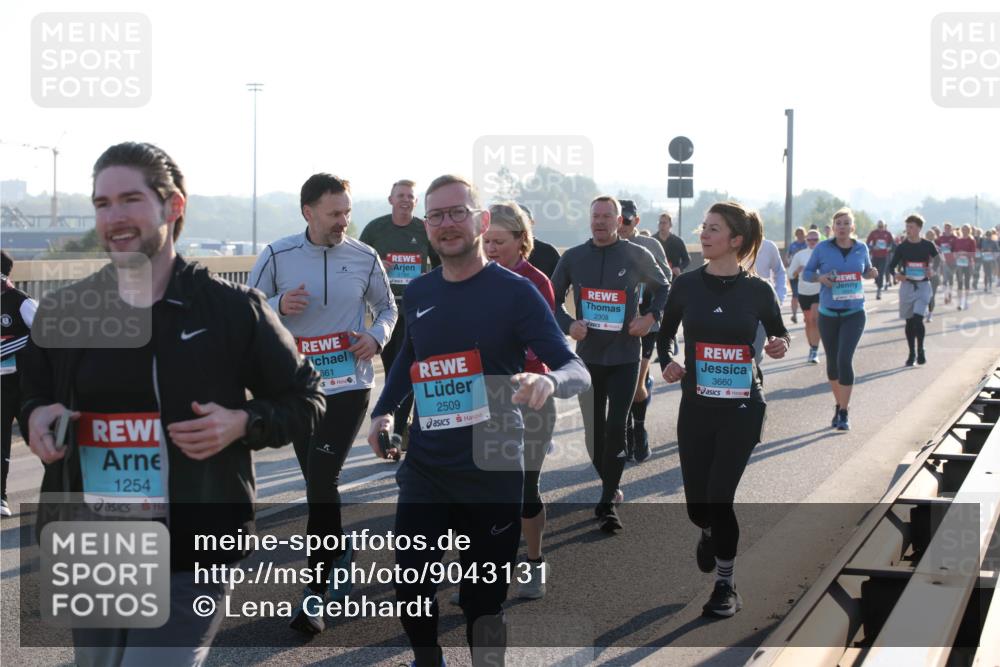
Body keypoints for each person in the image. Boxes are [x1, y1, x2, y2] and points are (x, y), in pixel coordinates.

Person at [19, 142, 325, 666]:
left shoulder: (231, 309)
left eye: (130, 200)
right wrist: (35, 416)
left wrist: (243, 422)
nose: (113, 217)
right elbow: (31, 393)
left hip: (191, 548)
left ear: (173, 206)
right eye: (102, 204)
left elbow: (307, 398)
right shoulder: (67, 310)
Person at [366, 175, 589, 667]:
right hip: (427, 467)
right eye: (436, 215)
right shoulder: (419, 291)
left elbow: (575, 368)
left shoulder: (516, 293)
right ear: (427, 226)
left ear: (481, 221)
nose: (446, 224)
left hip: (492, 467)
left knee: (482, 602)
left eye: (457, 213)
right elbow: (409, 359)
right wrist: (382, 412)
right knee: (410, 587)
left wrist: (549, 381)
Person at [249, 173, 397, 634]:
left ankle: (313, 594)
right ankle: (340, 553)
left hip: (350, 385)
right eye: (334, 213)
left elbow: (388, 308)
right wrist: (277, 304)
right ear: (308, 212)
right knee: (319, 486)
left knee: (321, 478)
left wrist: (376, 336)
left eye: (347, 212)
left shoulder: (364, 256)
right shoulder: (277, 255)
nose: (343, 221)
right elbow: (247, 309)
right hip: (298, 388)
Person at [656, 201, 789, 618]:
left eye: (714, 229)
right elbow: (665, 336)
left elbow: (780, 332)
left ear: (736, 240)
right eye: (704, 227)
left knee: (719, 496)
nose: (704, 234)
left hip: (742, 407)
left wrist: (779, 344)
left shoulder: (758, 291)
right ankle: (709, 530)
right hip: (696, 407)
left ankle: (725, 584)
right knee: (698, 507)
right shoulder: (686, 286)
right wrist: (667, 362)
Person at [551, 195, 669, 532]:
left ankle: (606, 502)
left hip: (624, 357)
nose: (600, 221)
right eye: (596, 216)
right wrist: (568, 324)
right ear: (589, 220)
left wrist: (650, 317)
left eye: (607, 216)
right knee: (594, 433)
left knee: (616, 426)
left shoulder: (636, 254)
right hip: (588, 359)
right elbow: (550, 299)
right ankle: (611, 485)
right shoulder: (574, 257)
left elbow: (664, 288)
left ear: (619, 221)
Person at [483, 201, 557, 599]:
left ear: (520, 240)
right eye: (486, 240)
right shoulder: (472, 278)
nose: (491, 248)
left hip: (529, 394)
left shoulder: (535, 282)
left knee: (526, 487)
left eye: (499, 241)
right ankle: (484, 570)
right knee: (485, 488)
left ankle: (534, 562)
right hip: (485, 395)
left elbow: (540, 344)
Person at [360, 180, 439, 451]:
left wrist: (431, 284)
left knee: (408, 368)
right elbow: (356, 263)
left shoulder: (424, 228)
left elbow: (441, 264)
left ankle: (400, 429)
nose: (405, 200)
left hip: (417, 310)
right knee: (393, 369)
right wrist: (377, 266)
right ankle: (399, 423)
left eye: (410, 196)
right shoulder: (375, 229)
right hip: (384, 309)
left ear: (416, 202)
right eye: (400, 195)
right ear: (391, 200)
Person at [803, 207, 877, 431]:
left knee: (845, 359)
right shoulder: (823, 248)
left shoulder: (861, 248)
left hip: (854, 313)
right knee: (832, 364)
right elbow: (807, 273)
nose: (842, 227)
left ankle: (844, 411)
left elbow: (866, 270)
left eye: (846, 223)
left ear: (852, 227)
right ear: (833, 227)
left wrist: (871, 273)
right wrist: (821, 278)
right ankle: (839, 403)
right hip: (828, 314)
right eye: (839, 223)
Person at [617, 200, 670, 463]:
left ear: (636, 221)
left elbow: (666, 280)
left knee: (637, 385)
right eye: (618, 220)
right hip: (615, 326)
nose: (622, 225)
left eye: (627, 220)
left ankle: (639, 430)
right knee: (618, 385)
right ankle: (625, 433)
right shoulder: (605, 246)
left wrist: (651, 313)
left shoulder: (650, 245)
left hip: (646, 325)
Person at [1, 250, 37, 517]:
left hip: (26, 384)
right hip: (1, 387)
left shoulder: (21, 302)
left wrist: (10, 347)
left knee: (39, 438)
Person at [888, 214, 938, 366]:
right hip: (907, 286)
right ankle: (912, 353)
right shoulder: (902, 247)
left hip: (923, 286)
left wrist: (933, 270)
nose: (908, 230)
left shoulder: (928, 245)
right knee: (909, 322)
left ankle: (921, 349)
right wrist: (896, 275)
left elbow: (939, 260)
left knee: (918, 318)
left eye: (911, 227)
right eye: (907, 227)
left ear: (919, 228)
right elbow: (891, 266)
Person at [786, 230, 822, 363]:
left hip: (819, 290)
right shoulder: (800, 255)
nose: (812, 242)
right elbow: (790, 274)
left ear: (819, 240)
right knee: (808, 321)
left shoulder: (823, 254)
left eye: (815, 239)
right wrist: (798, 270)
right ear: (806, 240)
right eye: (810, 239)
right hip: (804, 292)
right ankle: (812, 347)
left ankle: (815, 350)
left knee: (814, 319)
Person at [521, 204, 562, 279]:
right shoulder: (502, 251)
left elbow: (560, 282)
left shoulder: (548, 252)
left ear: (531, 223)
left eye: (521, 221)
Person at [655, 211, 690, 277]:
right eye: (660, 223)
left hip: (674, 278)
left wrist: (679, 268)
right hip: (657, 277)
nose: (662, 225)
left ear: (670, 225)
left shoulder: (678, 241)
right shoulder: (653, 241)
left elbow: (686, 260)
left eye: (664, 223)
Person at [866, 220, 895, 300]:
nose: (880, 228)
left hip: (884, 257)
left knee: (881, 273)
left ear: (884, 226)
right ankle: (878, 284)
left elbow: (892, 243)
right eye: (879, 226)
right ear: (877, 226)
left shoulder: (888, 234)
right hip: (875, 256)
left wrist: (889, 247)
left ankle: (879, 290)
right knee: (875, 273)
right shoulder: (873, 233)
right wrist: (872, 247)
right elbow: (867, 243)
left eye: (882, 226)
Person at [953, 224, 977, 310]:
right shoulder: (957, 240)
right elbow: (954, 251)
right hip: (959, 264)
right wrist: (957, 254)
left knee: (967, 282)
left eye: (966, 229)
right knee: (959, 282)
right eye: (963, 229)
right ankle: (960, 303)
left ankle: (966, 301)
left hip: (968, 264)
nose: (964, 231)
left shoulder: (971, 240)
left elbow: (973, 253)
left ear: (969, 230)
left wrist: (965, 253)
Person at [786, 227, 808, 323]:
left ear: (804, 234)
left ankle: (806, 315)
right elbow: (787, 256)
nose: (799, 235)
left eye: (801, 233)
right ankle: (794, 315)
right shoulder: (793, 245)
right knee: (795, 295)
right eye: (798, 234)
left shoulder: (807, 244)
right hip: (794, 273)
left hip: (804, 274)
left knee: (804, 295)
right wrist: (788, 263)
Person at [936, 222, 958, 305]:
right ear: (944, 229)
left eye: (949, 228)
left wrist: (952, 250)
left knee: (951, 279)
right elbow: (936, 247)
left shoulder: (955, 238)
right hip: (944, 260)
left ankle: (950, 293)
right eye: (946, 228)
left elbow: (957, 248)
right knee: (945, 279)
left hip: (952, 260)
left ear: (951, 229)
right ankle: (946, 296)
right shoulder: (941, 238)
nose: (947, 229)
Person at [924, 229, 942, 322]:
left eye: (931, 235)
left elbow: (939, 260)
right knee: (923, 294)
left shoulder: (937, 248)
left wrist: (934, 270)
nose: (929, 236)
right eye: (928, 235)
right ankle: (924, 310)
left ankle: (930, 313)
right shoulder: (921, 246)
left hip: (934, 275)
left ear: (934, 236)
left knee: (931, 295)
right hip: (923, 274)